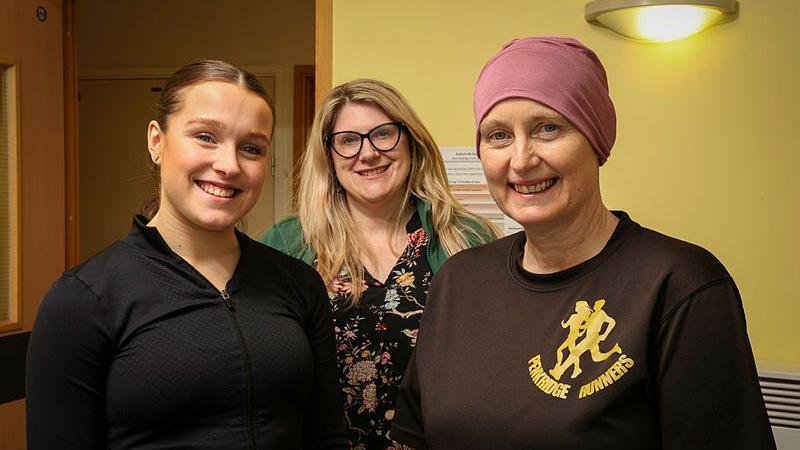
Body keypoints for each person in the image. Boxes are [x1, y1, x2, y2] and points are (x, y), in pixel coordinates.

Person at [391, 37, 776, 449]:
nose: (521, 160)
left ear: (596, 139)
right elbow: (413, 437)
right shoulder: (459, 280)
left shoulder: (679, 286)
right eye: (499, 135)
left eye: (548, 128)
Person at [26, 60, 348, 450]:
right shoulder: (83, 298)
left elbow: (327, 437)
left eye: (251, 148)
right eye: (205, 137)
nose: (228, 165)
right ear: (156, 141)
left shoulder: (298, 283)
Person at [261, 79, 497, 448]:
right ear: (330, 155)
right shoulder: (287, 245)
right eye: (348, 140)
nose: (367, 153)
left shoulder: (467, 238)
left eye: (383, 134)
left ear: (411, 141)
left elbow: (495, 366)